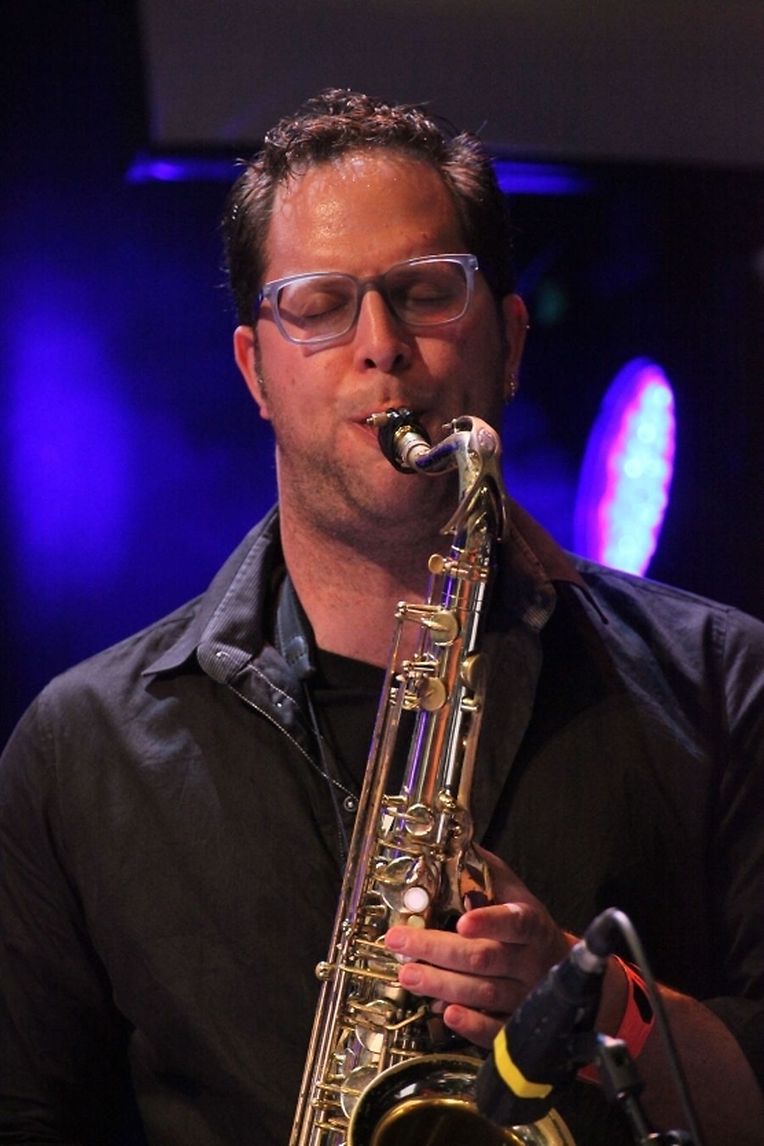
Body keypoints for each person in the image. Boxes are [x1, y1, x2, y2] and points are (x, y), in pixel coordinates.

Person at [1, 89, 763, 1146]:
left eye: (424, 292)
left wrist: (591, 1002)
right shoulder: (80, 747)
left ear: (508, 340)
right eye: (319, 304)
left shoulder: (724, 679)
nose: (381, 346)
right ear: (255, 371)